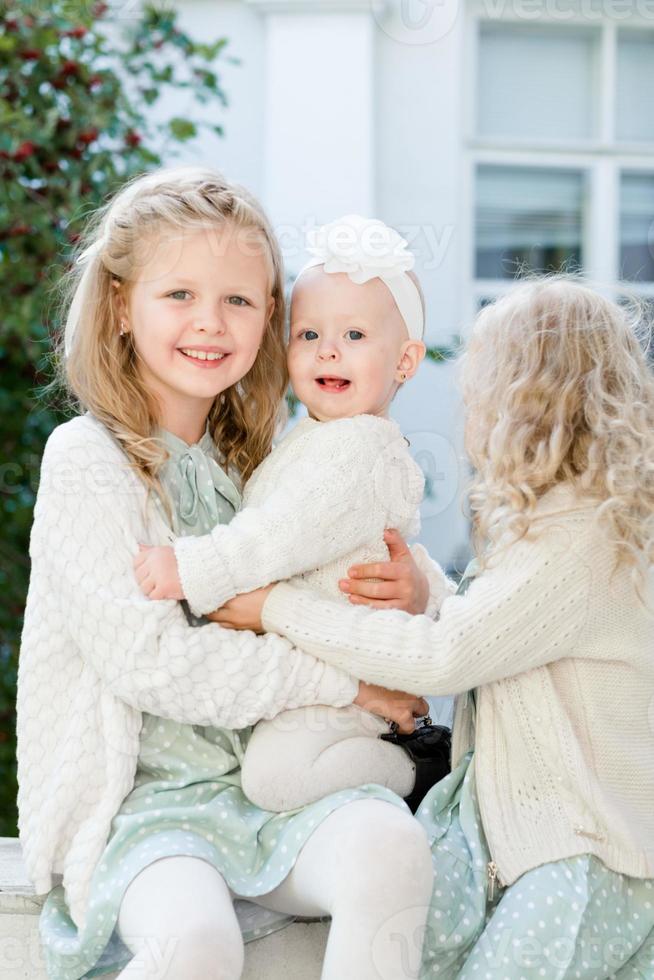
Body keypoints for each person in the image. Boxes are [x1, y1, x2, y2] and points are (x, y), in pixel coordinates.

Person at [16, 166, 435, 980]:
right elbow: (154, 665)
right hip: (141, 805)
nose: (210, 323)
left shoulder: (266, 461)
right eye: (179, 295)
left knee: (391, 850)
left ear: (270, 318)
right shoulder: (88, 462)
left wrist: (417, 588)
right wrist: (346, 688)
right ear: (119, 307)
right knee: (195, 943)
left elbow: (357, 546)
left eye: (239, 301)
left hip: (266, 787)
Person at [217, 277, 654, 979]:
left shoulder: (585, 535)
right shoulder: (553, 525)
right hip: (512, 842)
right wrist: (425, 590)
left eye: (480, 386)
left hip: (586, 857)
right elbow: (500, 630)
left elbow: (449, 656)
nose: (466, 406)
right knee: (394, 931)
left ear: (530, 400)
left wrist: (275, 607)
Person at [132, 213, 455, 813]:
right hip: (319, 669)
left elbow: (275, 537)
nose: (328, 349)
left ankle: (418, 766)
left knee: (275, 781)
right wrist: (425, 592)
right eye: (308, 335)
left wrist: (189, 568)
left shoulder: (358, 448)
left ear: (405, 362)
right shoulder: (312, 435)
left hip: (349, 676)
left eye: (355, 337)